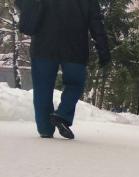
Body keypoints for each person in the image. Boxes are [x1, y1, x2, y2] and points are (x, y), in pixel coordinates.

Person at [23, 0, 110, 139]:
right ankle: (62, 114)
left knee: (42, 88)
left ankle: (45, 129)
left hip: (43, 46)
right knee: (75, 84)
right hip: (75, 49)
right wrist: (103, 50)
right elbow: (96, 23)